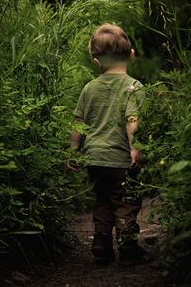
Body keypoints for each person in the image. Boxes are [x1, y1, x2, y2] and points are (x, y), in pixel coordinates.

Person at [68, 23, 146, 265]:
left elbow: (78, 122)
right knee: (125, 201)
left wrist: (74, 152)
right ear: (131, 54)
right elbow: (132, 119)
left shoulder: (89, 88)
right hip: (120, 158)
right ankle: (128, 248)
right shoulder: (133, 87)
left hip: (94, 158)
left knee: (102, 199)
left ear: (95, 60)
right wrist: (135, 147)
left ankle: (101, 243)